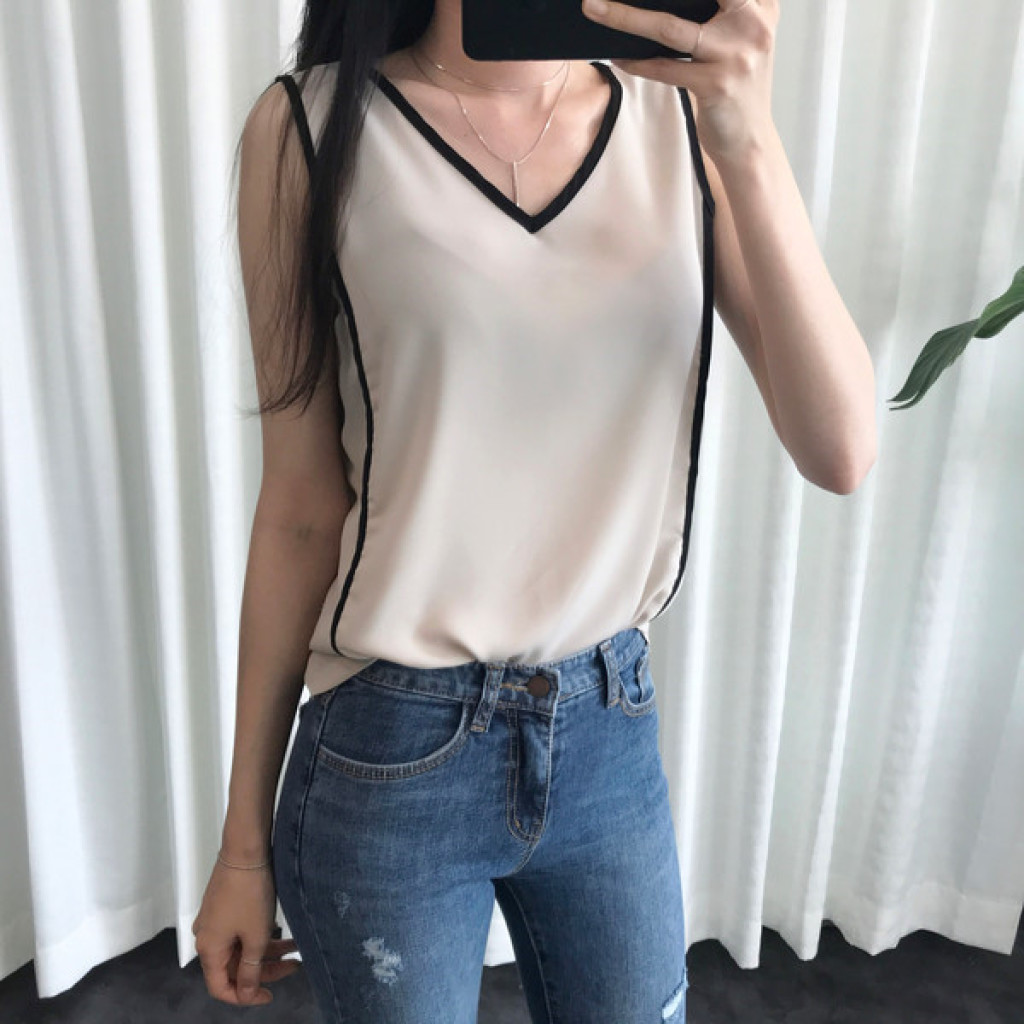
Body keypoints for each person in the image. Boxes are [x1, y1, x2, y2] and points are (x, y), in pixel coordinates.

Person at [191, 0, 871, 1020]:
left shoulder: (683, 122)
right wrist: (242, 846)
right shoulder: (308, 129)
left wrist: (751, 140)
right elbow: (298, 506)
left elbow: (841, 450)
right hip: (389, 746)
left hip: (607, 731)